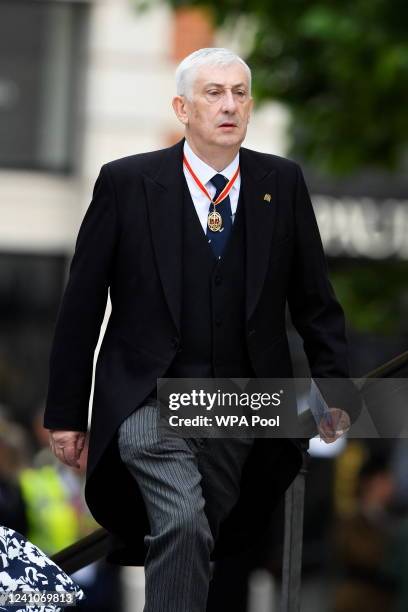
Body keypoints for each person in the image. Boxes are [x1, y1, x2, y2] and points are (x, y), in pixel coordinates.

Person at [44, 48, 357, 611]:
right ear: (182, 107)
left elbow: (316, 301)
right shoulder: (127, 182)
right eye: (213, 93)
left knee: (209, 536)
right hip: (147, 398)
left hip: (239, 404)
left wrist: (335, 388)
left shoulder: (280, 182)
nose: (229, 105)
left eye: (240, 93)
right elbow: (82, 305)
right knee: (184, 522)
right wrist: (67, 411)